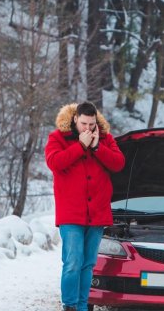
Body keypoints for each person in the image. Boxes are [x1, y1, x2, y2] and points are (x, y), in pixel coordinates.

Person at [45, 101, 125, 311]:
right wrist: (80, 146)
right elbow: (54, 163)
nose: (87, 129)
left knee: (88, 264)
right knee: (73, 262)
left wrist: (97, 147)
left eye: (91, 124)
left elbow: (118, 163)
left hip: (97, 213)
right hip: (71, 214)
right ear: (74, 120)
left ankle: (82, 306)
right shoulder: (58, 138)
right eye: (83, 124)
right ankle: (69, 306)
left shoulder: (105, 138)